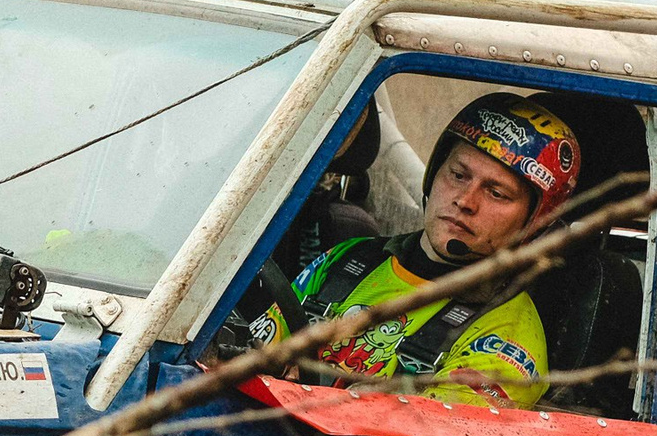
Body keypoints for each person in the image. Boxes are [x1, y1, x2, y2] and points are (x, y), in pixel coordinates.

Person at [247, 94, 580, 408]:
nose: (465, 201)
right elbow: (255, 353)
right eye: (458, 175)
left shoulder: (507, 342)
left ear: (534, 222)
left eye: (496, 193)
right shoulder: (346, 260)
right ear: (434, 173)